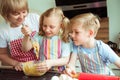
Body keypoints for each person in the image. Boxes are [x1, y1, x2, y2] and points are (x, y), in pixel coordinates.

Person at [21, 7, 71, 73]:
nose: (47, 30)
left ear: (61, 25)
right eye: (45, 26)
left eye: (51, 27)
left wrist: (50, 63)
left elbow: (65, 60)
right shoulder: (39, 36)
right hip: (41, 72)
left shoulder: (64, 38)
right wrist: (26, 36)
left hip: (59, 72)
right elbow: (25, 49)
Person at [0, 0, 40, 71]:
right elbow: (2, 54)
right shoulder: (3, 30)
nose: (21, 17)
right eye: (16, 14)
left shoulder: (35, 19)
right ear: (6, 14)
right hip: (24, 68)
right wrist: (16, 63)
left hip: (42, 63)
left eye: (24, 12)